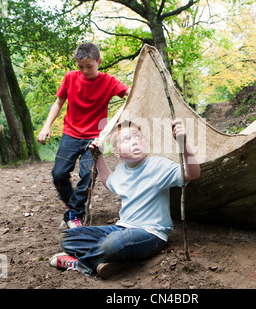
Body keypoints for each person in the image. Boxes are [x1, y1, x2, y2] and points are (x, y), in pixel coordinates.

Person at [49, 119, 201, 278]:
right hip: (121, 228)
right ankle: (112, 260)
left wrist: (183, 144)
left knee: (114, 243)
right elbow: (109, 181)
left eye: (137, 137)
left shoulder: (159, 166)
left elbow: (192, 173)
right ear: (117, 152)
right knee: (69, 238)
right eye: (126, 140)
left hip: (150, 234)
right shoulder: (121, 170)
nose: (134, 142)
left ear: (145, 143)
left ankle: (81, 264)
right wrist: (98, 157)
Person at [37, 42, 130, 229]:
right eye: (81, 67)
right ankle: (73, 207)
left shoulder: (109, 81)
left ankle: (74, 214)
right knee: (59, 174)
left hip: (95, 137)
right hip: (71, 133)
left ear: (99, 61)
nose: (85, 71)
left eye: (89, 66)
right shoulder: (70, 78)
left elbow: (131, 93)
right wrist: (46, 126)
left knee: (87, 175)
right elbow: (58, 103)